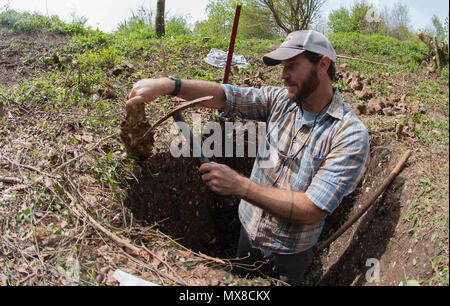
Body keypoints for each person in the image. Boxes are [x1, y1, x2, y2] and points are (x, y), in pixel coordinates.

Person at [126, 30, 370, 285]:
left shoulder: (349, 135)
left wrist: (239, 185)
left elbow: (311, 209)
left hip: (288, 255)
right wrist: (170, 85)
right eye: (283, 67)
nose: (284, 75)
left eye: (292, 66)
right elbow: (227, 96)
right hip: (248, 233)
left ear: (322, 64)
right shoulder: (282, 101)